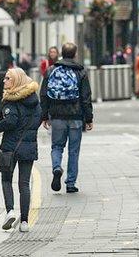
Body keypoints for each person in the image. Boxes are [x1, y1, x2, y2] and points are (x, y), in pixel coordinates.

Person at [0, 67, 42, 233]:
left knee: (6, 179)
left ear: (16, 81)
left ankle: (10, 212)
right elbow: (37, 121)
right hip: (28, 147)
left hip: (10, 147)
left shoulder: (11, 100)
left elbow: (11, 121)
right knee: (24, 184)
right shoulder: (34, 101)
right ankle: (25, 222)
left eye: (7, 78)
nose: (4, 81)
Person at [40, 42, 93, 193]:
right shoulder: (80, 71)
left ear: (61, 53)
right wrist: (89, 118)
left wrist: (44, 116)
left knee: (57, 147)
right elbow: (86, 97)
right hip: (76, 117)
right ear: (75, 54)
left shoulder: (51, 70)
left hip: (56, 116)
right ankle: (70, 183)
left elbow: (43, 95)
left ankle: (57, 167)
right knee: (73, 151)